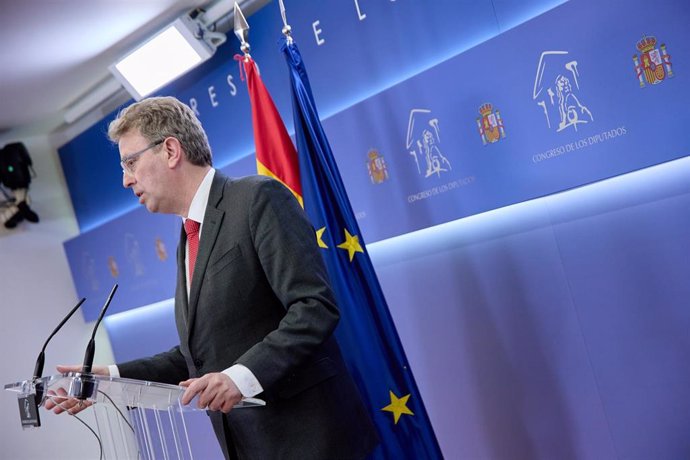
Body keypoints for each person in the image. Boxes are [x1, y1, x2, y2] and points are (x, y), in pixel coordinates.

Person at [46, 96, 378, 459]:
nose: (126, 180)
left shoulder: (256, 199)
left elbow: (313, 307)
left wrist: (241, 377)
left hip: (313, 443)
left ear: (171, 150)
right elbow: (198, 359)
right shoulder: (187, 237)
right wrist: (109, 380)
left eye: (130, 162)